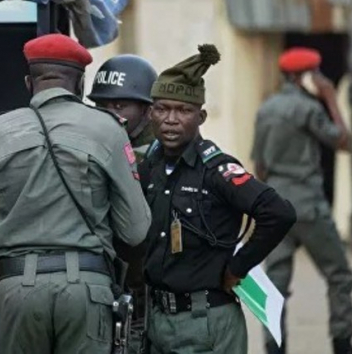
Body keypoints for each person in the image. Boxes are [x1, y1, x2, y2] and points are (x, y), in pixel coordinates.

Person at [0, 33, 152, 354]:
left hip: (16, 291)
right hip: (87, 291)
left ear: (28, 82)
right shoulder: (107, 129)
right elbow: (134, 231)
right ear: (80, 85)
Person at [139, 44, 296, 354]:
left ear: (201, 116)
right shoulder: (148, 166)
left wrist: (238, 267)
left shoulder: (217, 169)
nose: (171, 119)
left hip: (206, 321)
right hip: (157, 320)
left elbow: (278, 212)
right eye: (162, 108)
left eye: (183, 110)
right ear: (150, 113)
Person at [252, 47, 352, 354]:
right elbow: (343, 141)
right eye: (316, 73)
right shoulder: (309, 108)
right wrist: (331, 98)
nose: (321, 79)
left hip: (277, 206)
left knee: (275, 285)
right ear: (304, 76)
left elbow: (260, 166)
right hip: (308, 205)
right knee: (339, 275)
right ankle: (342, 342)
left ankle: (274, 348)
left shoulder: (266, 108)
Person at [88, 54, 158, 353]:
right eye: (102, 106)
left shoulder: (166, 149)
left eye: (120, 106)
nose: (110, 114)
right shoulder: (91, 141)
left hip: (149, 281)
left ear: (146, 109)